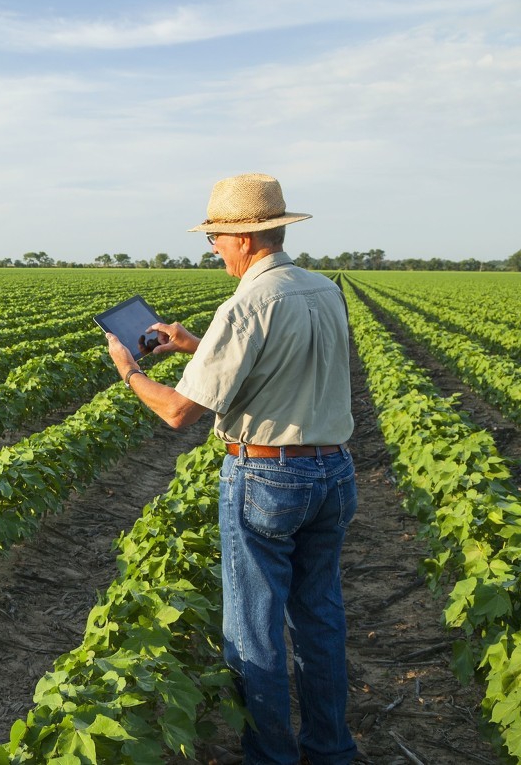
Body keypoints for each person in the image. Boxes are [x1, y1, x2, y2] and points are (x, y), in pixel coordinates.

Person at [105, 173, 357, 765]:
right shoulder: (323, 290)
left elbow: (179, 412)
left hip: (269, 479)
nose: (214, 248)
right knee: (320, 618)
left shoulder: (248, 303)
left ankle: (270, 757)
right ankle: (331, 751)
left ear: (243, 239)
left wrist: (130, 371)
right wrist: (197, 344)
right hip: (333, 473)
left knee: (254, 629)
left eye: (215, 237)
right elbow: (285, 363)